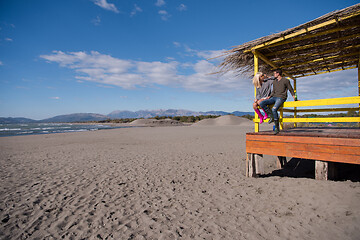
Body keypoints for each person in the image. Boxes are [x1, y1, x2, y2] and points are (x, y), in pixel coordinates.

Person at [259, 69, 296, 134]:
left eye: (274, 73)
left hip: (281, 97)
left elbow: (291, 89)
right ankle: (271, 116)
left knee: (274, 109)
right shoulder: (274, 81)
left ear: (278, 74)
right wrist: (269, 97)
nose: (274, 75)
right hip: (273, 97)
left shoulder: (286, 80)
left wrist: (294, 97)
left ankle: (277, 128)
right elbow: (273, 91)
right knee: (262, 103)